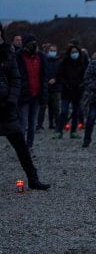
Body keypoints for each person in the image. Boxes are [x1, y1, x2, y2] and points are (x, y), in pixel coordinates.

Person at [0, 23, 50, 190]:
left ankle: (33, 178)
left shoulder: (7, 54)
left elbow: (15, 79)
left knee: (20, 145)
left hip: (6, 108)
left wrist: (11, 101)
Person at [15, 34, 48, 149]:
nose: (33, 46)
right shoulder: (18, 57)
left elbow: (44, 77)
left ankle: (29, 145)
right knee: (23, 123)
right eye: (30, 43)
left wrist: (44, 95)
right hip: (24, 95)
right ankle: (21, 146)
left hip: (37, 95)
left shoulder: (41, 57)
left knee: (33, 123)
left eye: (34, 43)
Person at [53, 43, 87, 139]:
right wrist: (65, 83)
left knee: (75, 112)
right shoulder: (64, 63)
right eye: (73, 52)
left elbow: (85, 77)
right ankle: (59, 131)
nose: (74, 54)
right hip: (66, 91)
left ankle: (73, 132)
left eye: (76, 52)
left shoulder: (82, 64)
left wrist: (82, 85)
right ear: (69, 53)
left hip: (77, 91)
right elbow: (59, 75)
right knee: (64, 111)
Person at [38, 43, 60, 130]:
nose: (53, 52)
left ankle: (56, 124)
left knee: (55, 107)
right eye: (51, 50)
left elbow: (60, 74)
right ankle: (39, 125)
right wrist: (45, 80)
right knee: (43, 107)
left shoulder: (58, 62)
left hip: (55, 88)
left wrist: (55, 79)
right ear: (48, 51)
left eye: (54, 51)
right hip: (45, 87)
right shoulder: (44, 61)